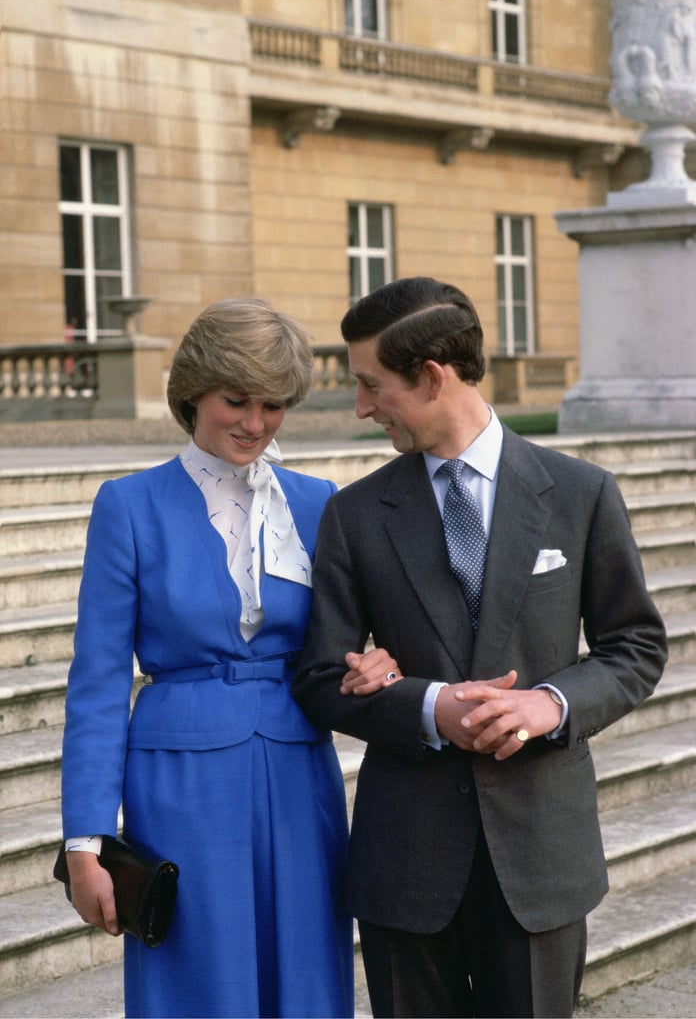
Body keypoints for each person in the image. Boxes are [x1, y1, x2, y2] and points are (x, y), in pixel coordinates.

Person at [292, 277, 668, 1019]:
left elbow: (635, 646)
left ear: (432, 377)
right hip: (405, 865)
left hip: (540, 859)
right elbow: (318, 676)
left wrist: (549, 702)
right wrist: (430, 706)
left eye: (371, 386)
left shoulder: (581, 492)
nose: (362, 407)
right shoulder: (355, 512)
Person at [59, 297, 399, 1019]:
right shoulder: (129, 506)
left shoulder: (317, 502)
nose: (254, 422)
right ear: (193, 393)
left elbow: (353, 638)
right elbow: (96, 683)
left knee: (305, 970)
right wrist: (85, 840)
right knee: (198, 982)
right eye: (235, 400)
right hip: (177, 781)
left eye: (273, 404)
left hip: (297, 773)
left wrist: (380, 662)